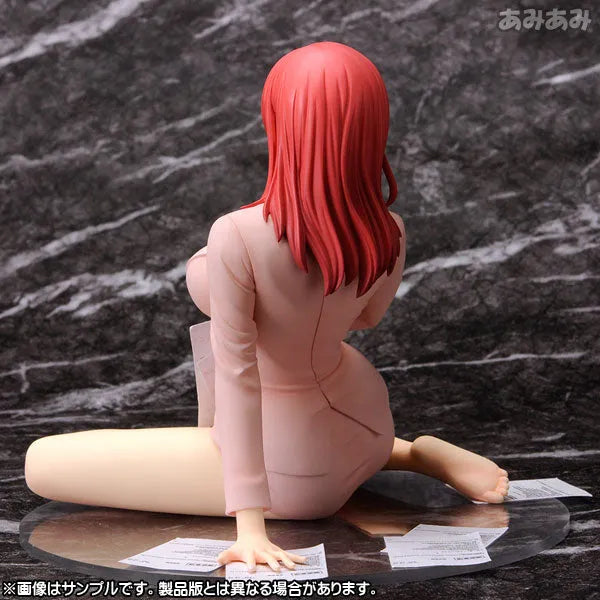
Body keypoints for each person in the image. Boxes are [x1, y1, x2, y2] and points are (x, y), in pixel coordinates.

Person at [24, 41, 509, 574]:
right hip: (366, 424)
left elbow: (239, 376)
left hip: (296, 476)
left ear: (280, 119)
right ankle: (415, 454)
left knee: (42, 462)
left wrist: (250, 527)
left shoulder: (237, 233)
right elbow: (367, 318)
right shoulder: (389, 227)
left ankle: (412, 456)